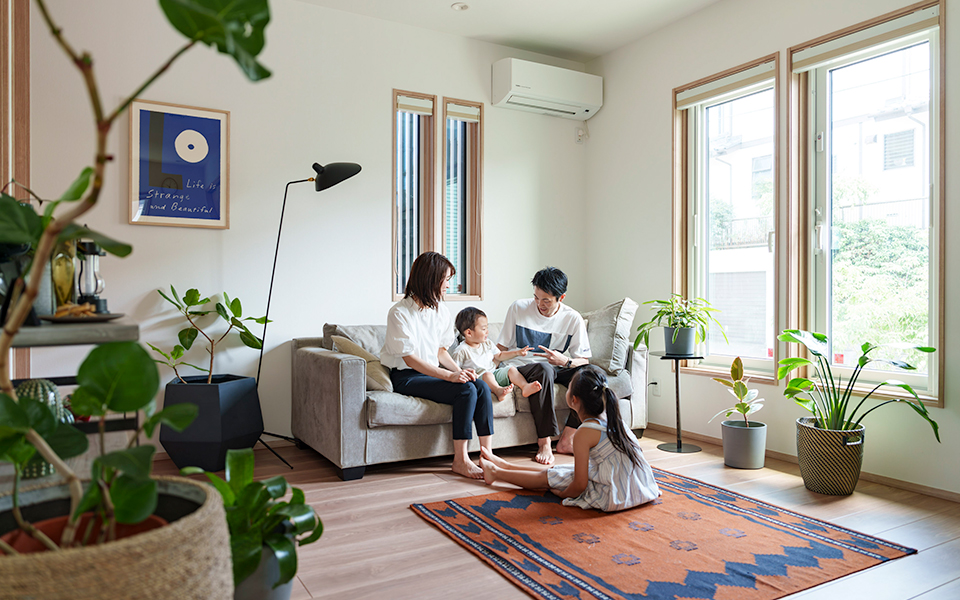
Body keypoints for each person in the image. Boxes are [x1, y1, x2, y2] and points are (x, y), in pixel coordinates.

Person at [479, 365, 660, 512]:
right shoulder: (613, 417)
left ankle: (496, 473)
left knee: (552, 476)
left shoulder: (585, 432)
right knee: (561, 471)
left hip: (615, 493)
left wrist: (562, 494)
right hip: (639, 486)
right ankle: (505, 465)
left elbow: (579, 484)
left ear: (574, 400)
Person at [380, 251, 494, 479]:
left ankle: (488, 456)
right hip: (407, 376)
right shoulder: (399, 313)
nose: (448, 286)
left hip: (432, 374)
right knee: (465, 389)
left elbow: (441, 351)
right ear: (430, 279)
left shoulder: (441, 311)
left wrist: (459, 371)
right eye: (446, 280)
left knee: (479, 385)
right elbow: (409, 359)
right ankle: (460, 460)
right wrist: (449, 377)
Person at [497, 267, 591, 465]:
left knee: (590, 375)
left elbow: (583, 360)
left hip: (556, 366)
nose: (539, 304)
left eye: (546, 300)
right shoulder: (518, 308)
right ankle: (545, 442)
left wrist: (564, 361)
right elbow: (500, 348)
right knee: (544, 369)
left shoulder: (573, 318)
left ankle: (567, 439)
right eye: (536, 298)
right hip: (525, 367)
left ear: (561, 297)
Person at [451, 307, 543, 401]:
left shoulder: (487, 343)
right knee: (487, 375)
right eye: (483, 329)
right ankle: (498, 391)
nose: (487, 332)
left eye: (487, 328)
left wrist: (517, 353)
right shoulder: (461, 351)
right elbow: (456, 372)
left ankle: (525, 387)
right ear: (469, 333)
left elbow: (499, 355)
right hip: (478, 380)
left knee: (511, 369)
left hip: (493, 374)